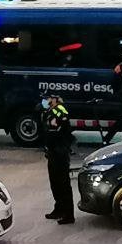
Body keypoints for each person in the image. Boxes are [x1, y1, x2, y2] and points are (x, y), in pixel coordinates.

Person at [41, 95, 75, 225]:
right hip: (53, 151)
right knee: (54, 183)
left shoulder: (59, 111)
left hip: (59, 152)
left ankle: (68, 214)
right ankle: (59, 209)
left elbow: (54, 131)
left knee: (63, 184)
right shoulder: (50, 111)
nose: (46, 101)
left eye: (48, 98)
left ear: (55, 99)